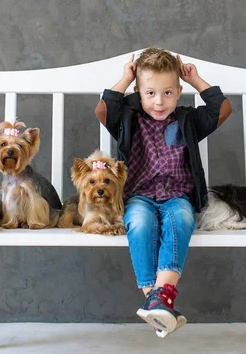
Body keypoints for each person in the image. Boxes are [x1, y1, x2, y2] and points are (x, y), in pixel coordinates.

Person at [95, 47, 232, 337]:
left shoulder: (188, 121)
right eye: (151, 93)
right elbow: (104, 109)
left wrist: (196, 80)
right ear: (138, 92)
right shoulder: (128, 120)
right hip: (139, 196)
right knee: (141, 222)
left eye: (168, 93)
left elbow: (221, 109)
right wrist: (125, 78)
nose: (159, 102)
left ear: (179, 91)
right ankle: (160, 302)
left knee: (181, 219)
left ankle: (156, 299)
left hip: (177, 195)